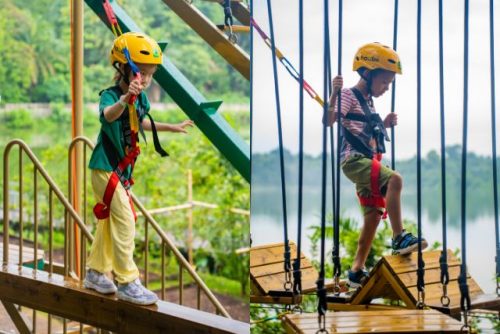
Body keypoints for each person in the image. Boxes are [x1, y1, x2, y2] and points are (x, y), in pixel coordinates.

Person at [83, 32, 194, 305]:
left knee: (110, 222)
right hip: (104, 168)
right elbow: (108, 116)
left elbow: (140, 122)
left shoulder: (141, 99)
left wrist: (171, 127)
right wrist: (124, 99)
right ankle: (127, 280)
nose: (144, 79)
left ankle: (95, 272)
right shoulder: (110, 96)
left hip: (119, 172)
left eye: (150, 74)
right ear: (124, 69)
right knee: (126, 221)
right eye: (141, 73)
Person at [326, 42, 428, 289]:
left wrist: (383, 123)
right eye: (384, 82)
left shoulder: (369, 102)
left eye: (389, 84)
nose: (386, 88)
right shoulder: (349, 95)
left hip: (366, 160)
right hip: (353, 161)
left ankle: (356, 271)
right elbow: (329, 120)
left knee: (373, 216)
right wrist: (333, 94)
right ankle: (399, 237)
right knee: (395, 180)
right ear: (367, 74)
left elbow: (365, 134)